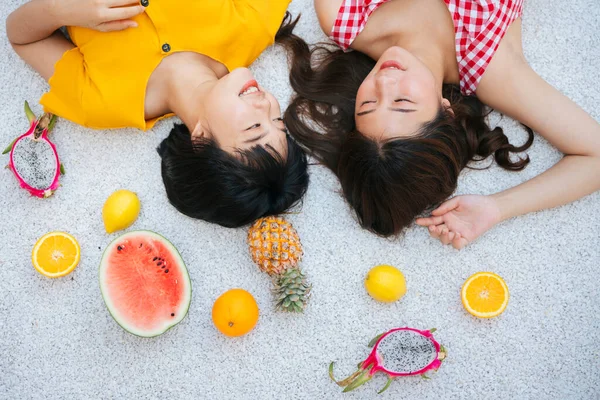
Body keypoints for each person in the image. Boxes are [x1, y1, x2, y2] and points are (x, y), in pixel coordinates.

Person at [284, 0, 600, 248]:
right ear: (446, 112)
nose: (385, 82)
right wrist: (498, 208)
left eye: (368, 104)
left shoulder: (344, 15)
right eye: (402, 103)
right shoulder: (491, 66)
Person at [6, 0, 309, 227]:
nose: (267, 103)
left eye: (256, 126)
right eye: (277, 121)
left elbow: (22, 36)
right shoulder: (253, 26)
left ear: (202, 138)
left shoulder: (103, 102)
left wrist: (64, 10)